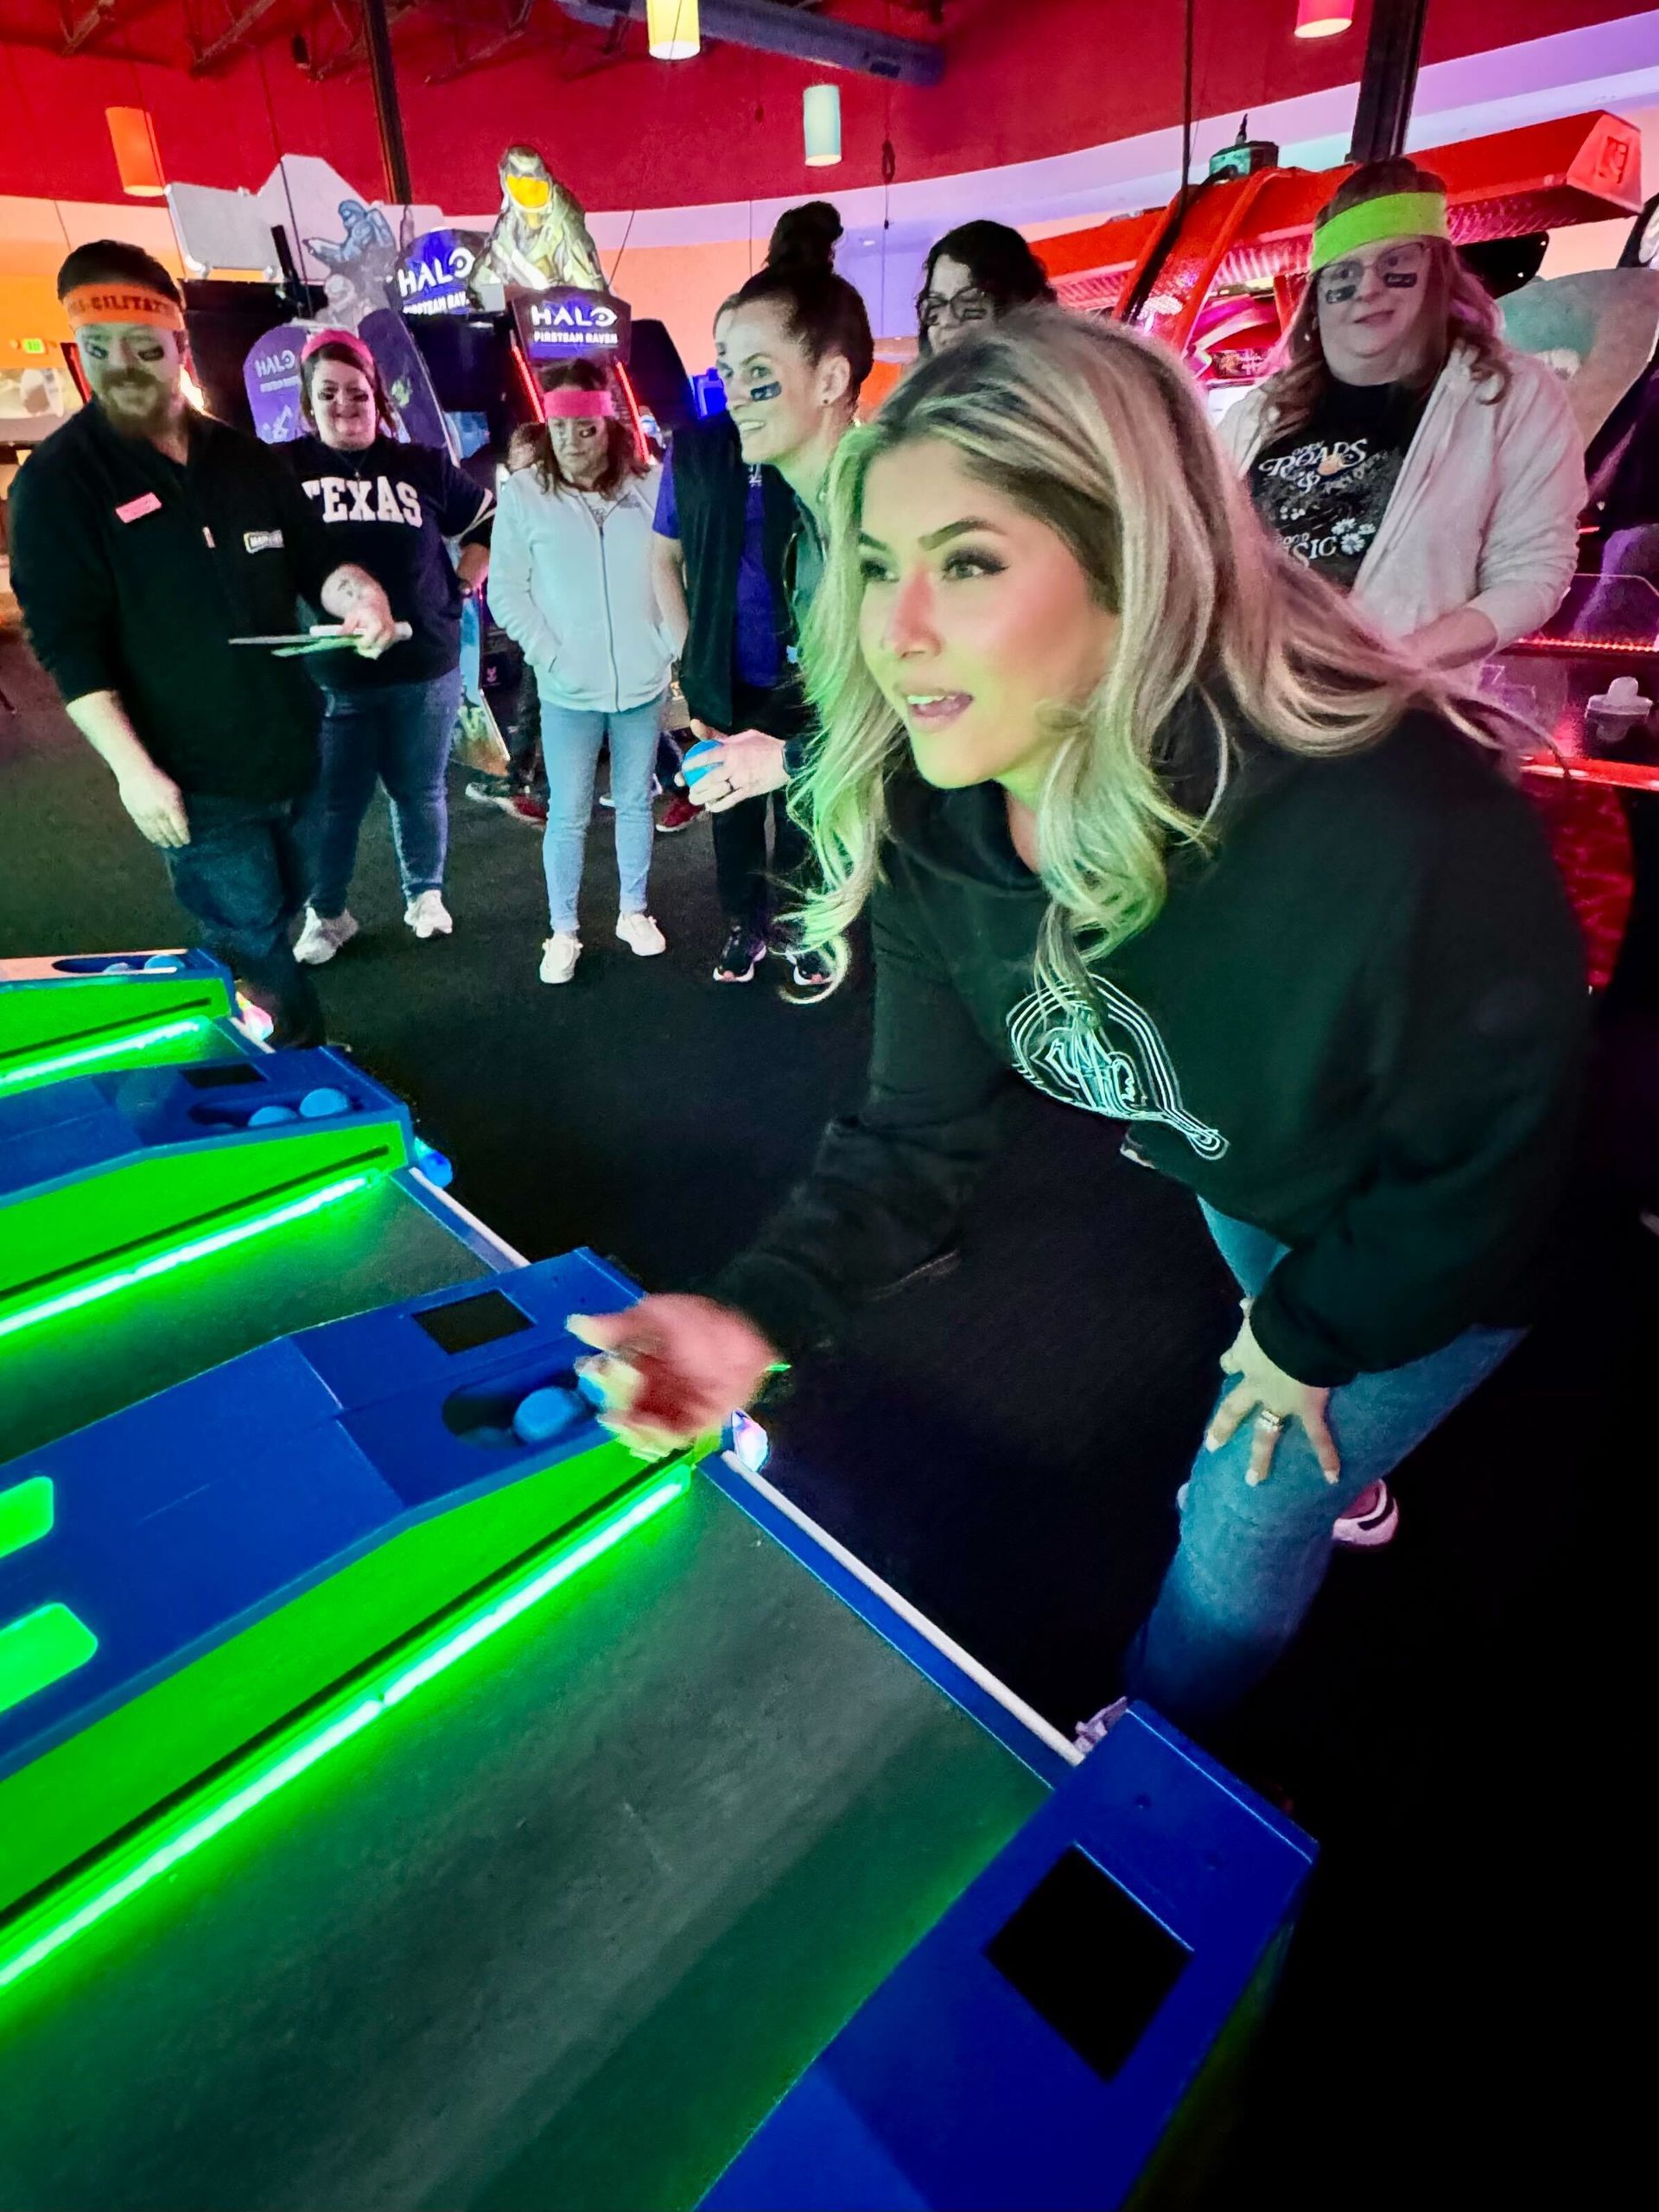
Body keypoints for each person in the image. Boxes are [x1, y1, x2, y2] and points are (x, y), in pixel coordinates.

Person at [564, 310, 1587, 1735]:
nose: (895, 629)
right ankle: (1338, 1429)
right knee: (1274, 1326)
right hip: (1258, 1170)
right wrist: (753, 1316)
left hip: (1466, 1234)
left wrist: (1302, 1336)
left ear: (1132, 569)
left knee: (1240, 1511)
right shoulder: (937, 800)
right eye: (877, 567)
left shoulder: (1396, 810)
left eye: (968, 562)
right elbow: (912, 1138)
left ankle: (1154, 1747)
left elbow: (1492, 1162)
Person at [9, 242, 398, 1046]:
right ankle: (294, 1072)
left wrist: (363, 599)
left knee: (288, 907)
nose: (123, 368)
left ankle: (279, 1053)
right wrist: (131, 771)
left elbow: (318, 561)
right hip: (189, 774)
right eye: (99, 350)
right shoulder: (55, 482)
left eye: (146, 350)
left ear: (181, 349)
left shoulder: (244, 457)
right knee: (246, 938)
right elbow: (66, 644)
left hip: (292, 745)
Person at [1217, 157, 1584, 667]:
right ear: (1317, 297)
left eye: (1396, 266)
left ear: (1438, 275)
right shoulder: (1258, 412)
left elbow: (1532, 575)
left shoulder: (1508, 398)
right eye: (1344, 273)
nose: (1369, 289)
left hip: (1396, 713)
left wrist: (1390, 668)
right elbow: (1201, 551)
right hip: (1252, 702)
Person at [677, 200, 874, 991]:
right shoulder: (808, 521)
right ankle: (758, 923)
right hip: (736, 677)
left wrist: (790, 758)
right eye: (725, 369)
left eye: (757, 373)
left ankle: (800, 922)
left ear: (829, 377)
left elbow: (931, 733)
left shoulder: (885, 510)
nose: (734, 392)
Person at [280, 330, 494, 963]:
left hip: (424, 667)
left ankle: (425, 895)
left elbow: (486, 521)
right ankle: (327, 914)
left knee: (421, 790)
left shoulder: (421, 465)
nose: (345, 404)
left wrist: (461, 583)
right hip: (332, 677)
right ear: (308, 403)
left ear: (377, 397)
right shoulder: (284, 470)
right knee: (333, 804)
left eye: (357, 392)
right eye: (329, 393)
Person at [487, 361, 671, 984]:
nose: (572, 440)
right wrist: (550, 653)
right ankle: (562, 930)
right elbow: (506, 590)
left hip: (642, 682)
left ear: (609, 425)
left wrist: (668, 644)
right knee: (568, 812)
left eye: (585, 428)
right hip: (568, 688)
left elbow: (676, 569)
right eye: (560, 426)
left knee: (635, 802)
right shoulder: (523, 495)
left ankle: (633, 911)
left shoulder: (649, 486)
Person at [652, 408, 811, 982]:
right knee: (731, 807)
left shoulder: (811, 433)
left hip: (808, 665)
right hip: (726, 668)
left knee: (807, 804)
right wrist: (690, 654)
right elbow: (663, 558)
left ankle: (802, 923)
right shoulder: (696, 449)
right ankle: (745, 923)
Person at [916, 219, 1055, 355]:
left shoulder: (1055, 373)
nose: (946, 321)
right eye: (936, 304)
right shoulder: (924, 376)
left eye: (970, 304)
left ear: (1017, 308)